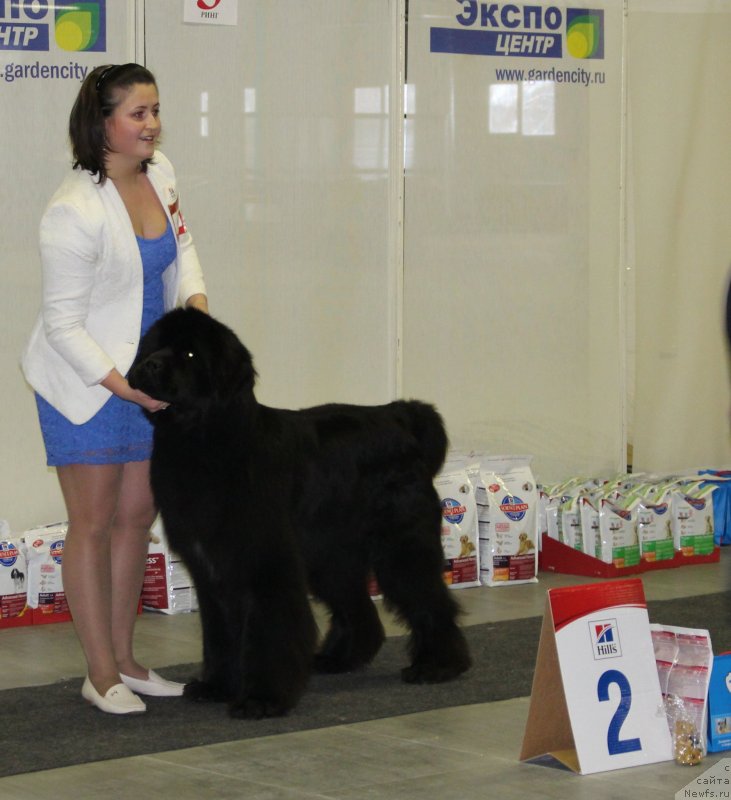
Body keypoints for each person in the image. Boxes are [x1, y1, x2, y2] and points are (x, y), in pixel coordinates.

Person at [22, 63, 208, 715]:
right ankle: (98, 672)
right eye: (137, 114)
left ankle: (128, 659)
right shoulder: (70, 210)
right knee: (94, 522)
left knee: (136, 516)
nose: (151, 124)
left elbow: (182, 249)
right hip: (85, 384)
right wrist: (123, 389)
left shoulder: (162, 173)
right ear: (100, 123)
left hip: (147, 378)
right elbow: (62, 325)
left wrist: (197, 304)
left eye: (155, 110)